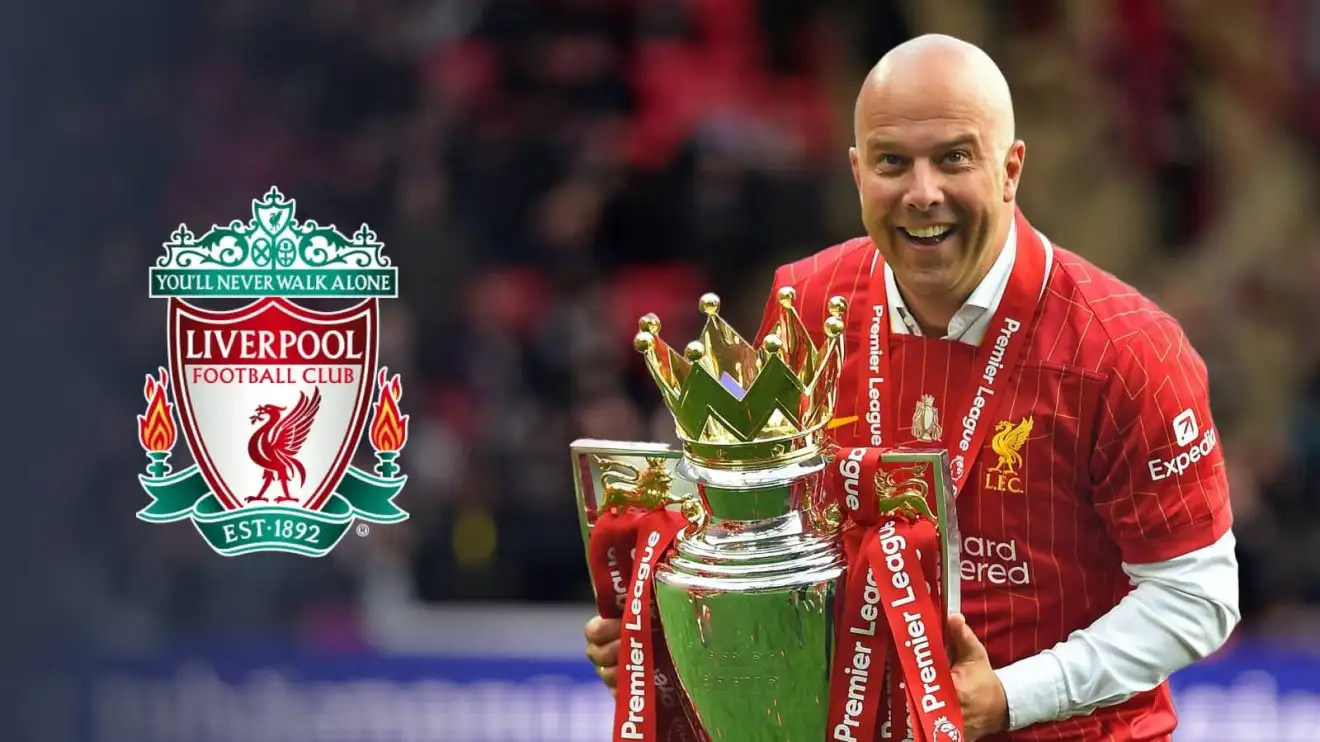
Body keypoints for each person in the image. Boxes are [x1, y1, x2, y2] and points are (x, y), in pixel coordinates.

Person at [584, 34, 1239, 741]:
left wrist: (1013, 697)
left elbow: (1197, 596)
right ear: (858, 172)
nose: (923, 194)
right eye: (893, 163)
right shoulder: (807, 304)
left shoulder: (1127, 350)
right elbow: (775, 541)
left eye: (954, 158)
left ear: (1011, 169)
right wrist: (682, 637)